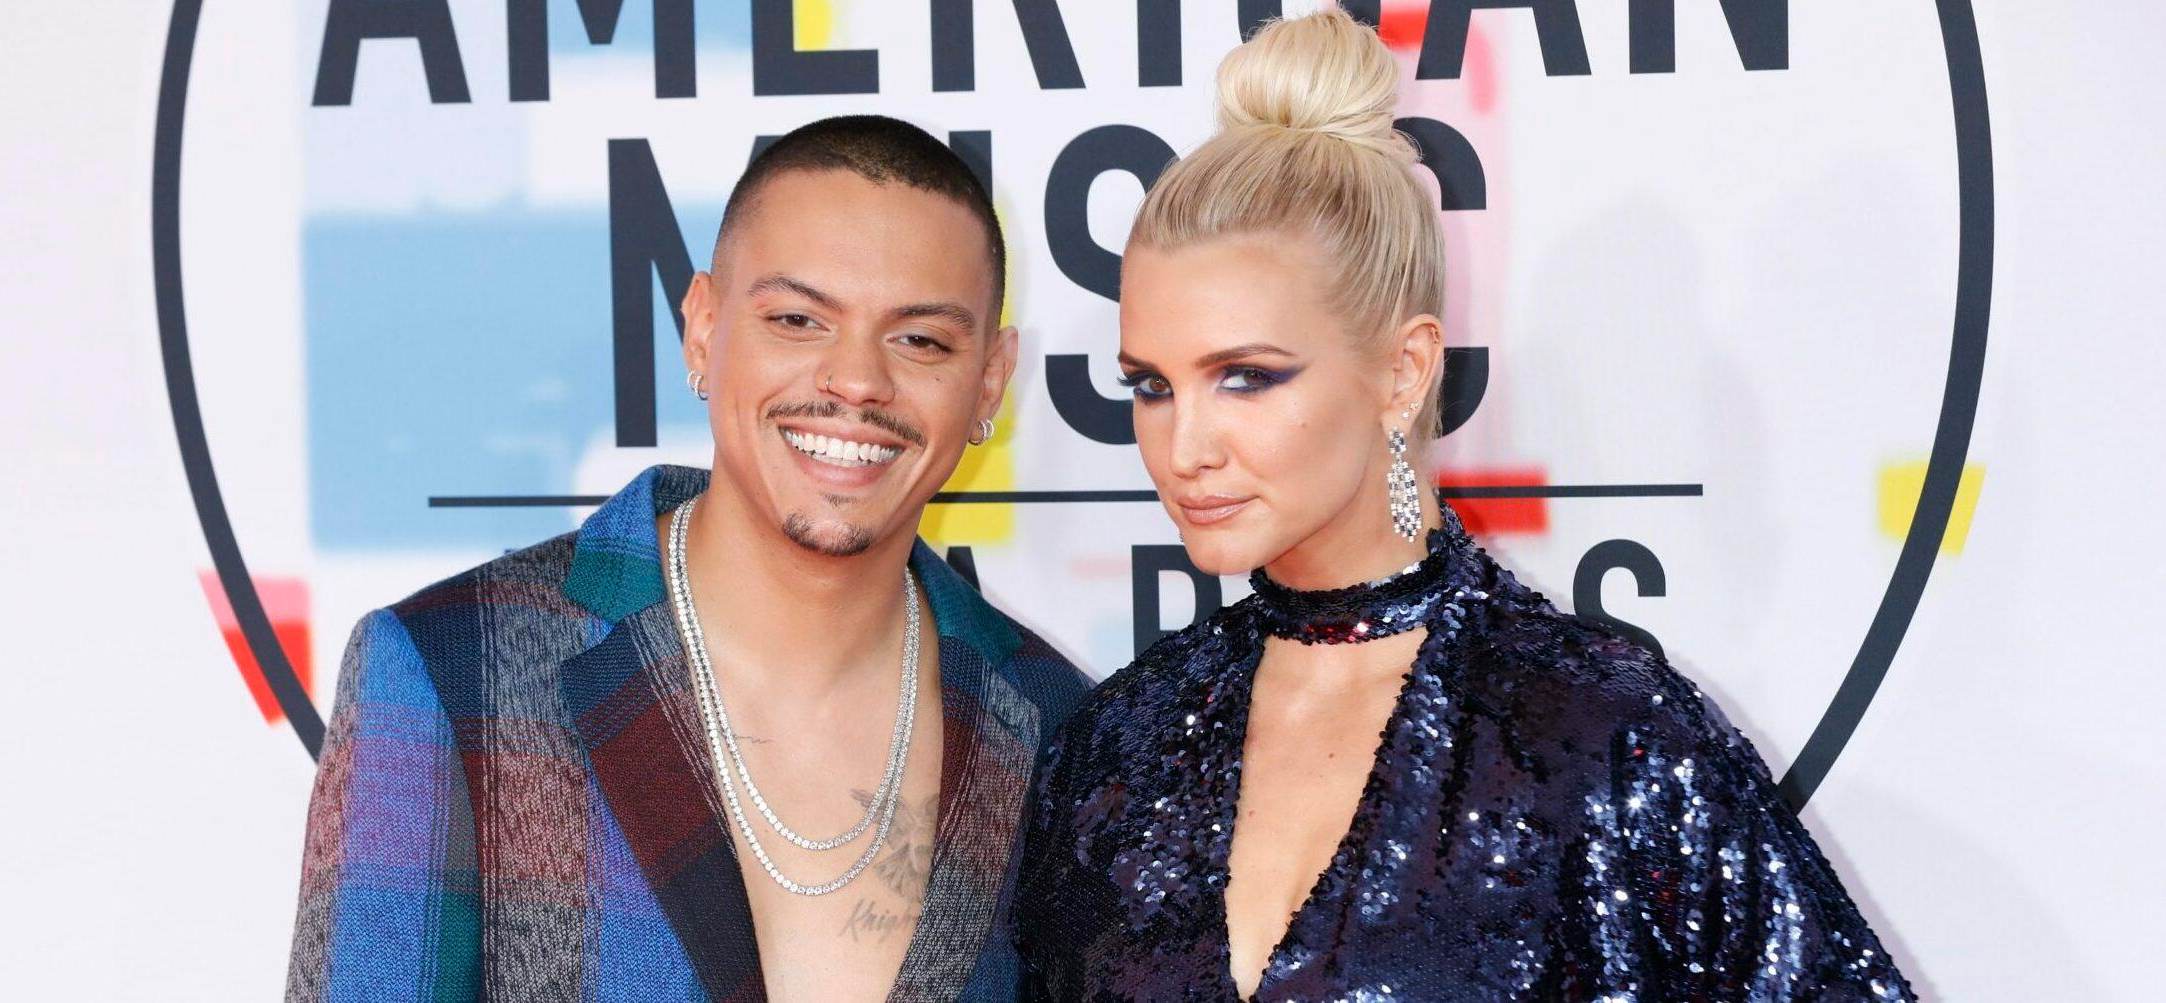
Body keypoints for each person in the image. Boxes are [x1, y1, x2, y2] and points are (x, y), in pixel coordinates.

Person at [1014, 11, 1913, 1002]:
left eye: (1246, 377)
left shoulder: (1597, 732)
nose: (1185, 447)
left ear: (1403, 373)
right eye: (1151, 386)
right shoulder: (1118, 748)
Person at [285, 115, 1091, 1002]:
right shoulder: (452, 670)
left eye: (921, 339)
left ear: (989, 378)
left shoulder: (1059, 724)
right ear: (702, 328)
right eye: (796, 319)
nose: (856, 380)